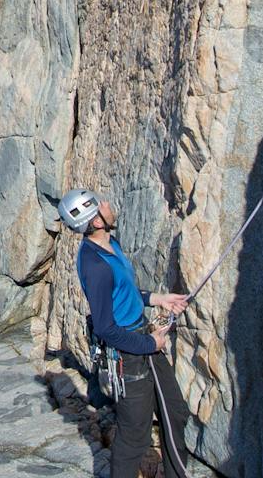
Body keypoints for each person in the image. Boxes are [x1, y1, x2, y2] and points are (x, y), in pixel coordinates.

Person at [60, 187, 192, 478]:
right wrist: (149, 343)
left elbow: (126, 292)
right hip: (128, 355)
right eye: (100, 205)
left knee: (175, 414)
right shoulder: (95, 266)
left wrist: (158, 299)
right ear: (96, 221)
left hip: (143, 341)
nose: (107, 204)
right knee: (135, 437)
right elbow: (106, 327)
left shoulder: (111, 244)